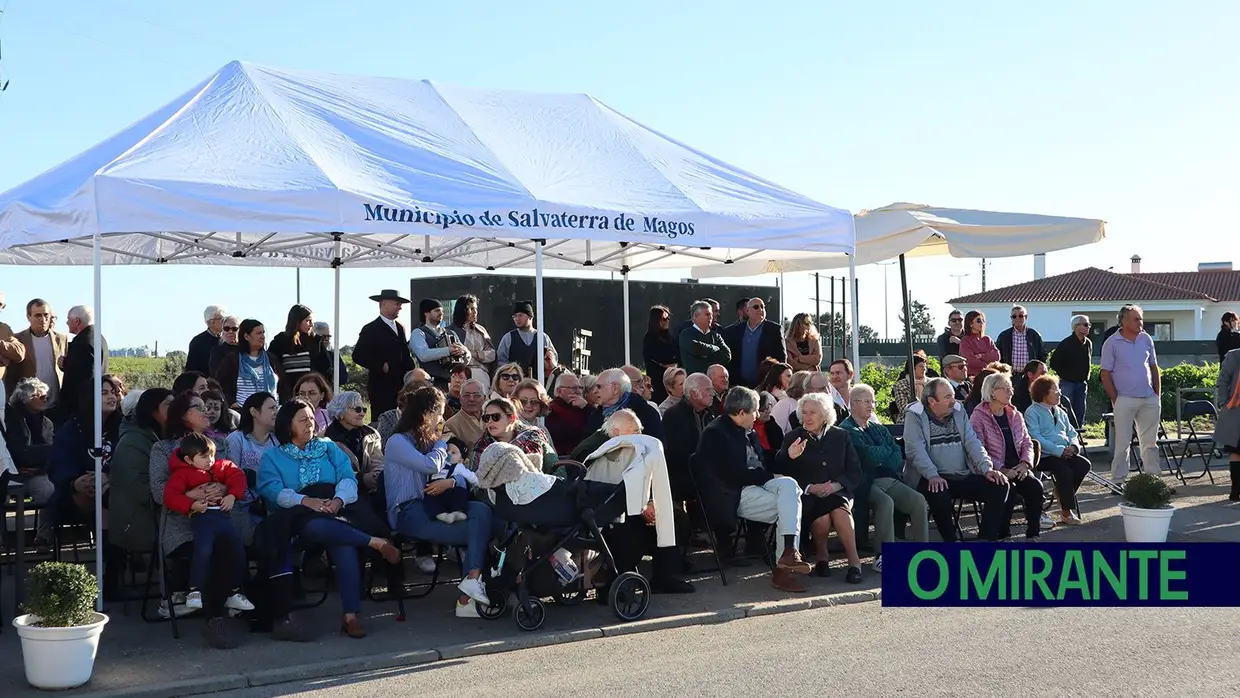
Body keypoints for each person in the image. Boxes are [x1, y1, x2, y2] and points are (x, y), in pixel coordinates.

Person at [257, 399, 400, 639]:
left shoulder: (328, 447)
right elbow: (271, 491)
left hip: (335, 508)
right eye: (302, 420)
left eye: (312, 419)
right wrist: (306, 502)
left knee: (342, 542)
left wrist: (338, 500)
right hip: (295, 518)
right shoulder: (273, 457)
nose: (309, 424)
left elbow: (347, 477)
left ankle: (350, 616)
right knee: (318, 527)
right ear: (287, 424)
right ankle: (374, 542)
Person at [384, 386, 495, 619]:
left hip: (436, 504)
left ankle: (470, 584)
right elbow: (430, 466)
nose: (442, 420)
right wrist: (442, 443)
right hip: (409, 512)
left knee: (482, 511)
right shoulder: (397, 441)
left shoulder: (429, 442)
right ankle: (469, 594)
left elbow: (450, 471)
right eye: (440, 413)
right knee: (480, 530)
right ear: (428, 413)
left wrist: (452, 483)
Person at [693, 387, 814, 592]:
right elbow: (735, 474)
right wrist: (769, 476)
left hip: (756, 485)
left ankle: (788, 555)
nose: (758, 415)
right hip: (732, 493)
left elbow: (765, 463)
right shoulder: (716, 434)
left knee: (791, 486)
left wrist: (787, 456)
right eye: (755, 411)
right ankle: (784, 568)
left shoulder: (747, 430)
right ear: (741, 413)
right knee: (791, 506)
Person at [903, 377, 1010, 542]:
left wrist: (986, 468)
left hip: (961, 474)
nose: (953, 401)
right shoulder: (915, 415)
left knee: (999, 485)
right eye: (947, 397)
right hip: (929, 476)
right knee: (938, 492)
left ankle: (986, 540)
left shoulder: (959, 411)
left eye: (952, 396)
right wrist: (932, 474)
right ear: (931, 401)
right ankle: (951, 543)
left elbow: (972, 442)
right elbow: (915, 450)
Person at [775, 393, 863, 582]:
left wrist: (836, 485)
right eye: (804, 413)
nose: (807, 417)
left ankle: (854, 563)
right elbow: (780, 471)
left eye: (812, 413)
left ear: (824, 415)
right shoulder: (793, 437)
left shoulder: (840, 435)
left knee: (840, 512)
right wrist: (808, 486)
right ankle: (822, 557)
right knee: (822, 517)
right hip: (808, 495)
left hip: (838, 490)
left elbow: (854, 471)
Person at [163, 433, 255, 614]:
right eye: (204, 457)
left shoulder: (222, 466)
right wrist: (191, 504)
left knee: (237, 552)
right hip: (203, 520)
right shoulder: (182, 474)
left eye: (212, 455)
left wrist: (232, 495)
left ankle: (234, 592)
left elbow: (238, 476)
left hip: (224, 518)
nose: (210, 460)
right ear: (189, 459)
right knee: (204, 551)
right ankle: (194, 590)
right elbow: (170, 496)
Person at [839, 384, 929, 568]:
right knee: (885, 502)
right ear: (853, 404)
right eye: (865, 401)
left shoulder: (877, 428)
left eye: (872, 401)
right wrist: (886, 451)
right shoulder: (846, 429)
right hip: (862, 482)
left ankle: (922, 552)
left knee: (919, 500)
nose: (870, 405)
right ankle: (882, 557)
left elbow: (897, 457)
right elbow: (867, 457)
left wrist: (884, 452)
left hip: (886, 479)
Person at [969, 372, 1045, 540]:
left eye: (1011, 388)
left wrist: (1025, 463)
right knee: (1008, 490)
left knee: (1036, 487)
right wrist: (1000, 469)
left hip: (1018, 467)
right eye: (1006, 388)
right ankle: (1003, 535)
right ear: (992, 392)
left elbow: (1027, 442)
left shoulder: (1014, 414)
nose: (1011, 392)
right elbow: (978, 448)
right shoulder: (978, 416)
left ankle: (1033, 534)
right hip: (994, 469)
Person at [1100, 304, 1168, 489]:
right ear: (1123, 321)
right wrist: (1116, 399)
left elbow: (1154, 367)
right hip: (1124, 399)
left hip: (1149, 398)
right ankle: (1118, 481)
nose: (1140, 322)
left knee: (1150, 442)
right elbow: (1105, 373)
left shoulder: (1146, 339)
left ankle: (1153, 479)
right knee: (1122, 442)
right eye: (1136, 319)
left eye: (1141, 318)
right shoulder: (1111, 343)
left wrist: (1157, 395)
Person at [109, 388, 174, 557]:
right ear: (152, 410)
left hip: (166, 512)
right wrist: (183, 494)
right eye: (169, 405)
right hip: (140, 520)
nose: (175, 409)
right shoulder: (132, 443)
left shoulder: (167, 436)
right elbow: (140, 490)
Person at [1025, 375, 1091, 524]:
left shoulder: (1060, 411)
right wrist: (1059, 450)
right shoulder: (1032, 412)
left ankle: (1061, 493)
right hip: (1045, 456)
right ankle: (1066, 512)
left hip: (1066, 452)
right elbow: (1035, 437)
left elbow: (1072, 432)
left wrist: (1074, 447)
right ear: (1043, 394)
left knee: (1083, 465)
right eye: (1055, 390)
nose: (1059, 393)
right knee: (1064, 471)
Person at [4, 377, 58, 539]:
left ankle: (43, 537)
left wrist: (40, 468)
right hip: (9, 473)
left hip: (37, 473)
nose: (45, 399)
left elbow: (53, 453)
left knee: (50, 492)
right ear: (26, 398)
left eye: (46, 396)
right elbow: (11, 449)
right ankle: (4, 539)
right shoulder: (9, 419)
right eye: (40, 395)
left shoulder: (47, 423)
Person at [353, 290, 416, 418]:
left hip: (401, 386)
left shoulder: (399, 328)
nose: (400, 307)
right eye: (397, 304)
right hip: (381, 388)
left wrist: (412, 371)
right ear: (384, 304)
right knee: (384, 421)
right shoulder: (371, 329)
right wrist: (381, 365)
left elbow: (404, 353)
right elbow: (358, 355)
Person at [3, 299, 68, 417]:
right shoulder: (19, 339)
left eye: (46, 315)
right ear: (28, 317)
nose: (43, 319)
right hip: (29, 405)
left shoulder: (61, 339)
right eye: (38, 315)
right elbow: (11, 373)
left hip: (55, 402)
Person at [661, 372, 716, 500]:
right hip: (687, 481)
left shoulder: (709, 414)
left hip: (709, 476)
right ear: (693, 393)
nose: (712, 394)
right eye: (708, 390)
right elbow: (678, 455)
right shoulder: (674, 416)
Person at [470, 396, 558, 474]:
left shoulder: (532, 437)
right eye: (486, 418)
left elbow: (544, 470)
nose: (490, 421)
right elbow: (476, 482)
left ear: (511, 418)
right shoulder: (482, 446)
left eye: (495, 417)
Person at [324, 391, 385, 495]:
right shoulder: (326, 440)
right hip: (340, 492)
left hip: (372, 490)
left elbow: (378, 462)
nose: (362, 414)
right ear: (341, 412)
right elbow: (331, 472)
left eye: (364, 409)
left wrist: (377, 475)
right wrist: (362, 479)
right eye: (357, 409)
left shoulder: (372, 434)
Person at [268, 305, 331, 403]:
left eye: (312, 321)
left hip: (310, 393)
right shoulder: (280, 341)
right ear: (297, 321)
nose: (311, 325)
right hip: (288, 392)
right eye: (307, 321)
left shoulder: (315, 341)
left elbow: (325, 366)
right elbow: (272, 361)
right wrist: (282, 379)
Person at [584, 368, 666, 442]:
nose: (595, 391)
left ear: (615, 388)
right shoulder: (595, 416)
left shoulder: (645, 413)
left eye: (599, 387)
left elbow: (657, 448)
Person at [60, 305, 109, 422]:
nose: (66, 323)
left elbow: (81, 373)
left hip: (81, 406)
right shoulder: (99, 338)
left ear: (77, 321)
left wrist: (65, 363)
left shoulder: (82, 343)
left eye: (68, 319)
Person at [723, 297, 786, 388]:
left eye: (762, 307)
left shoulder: (774, 329)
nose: (760, 309)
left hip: (764, 383)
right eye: (756, 307)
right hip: (738, 382)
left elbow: (782, 357)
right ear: (748, 311)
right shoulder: (735, 330)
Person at [215, 319, 278, 410]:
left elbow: (283, 387)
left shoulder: (271, 359)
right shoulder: (233, 359)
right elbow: (220, 385)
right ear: (246, 336)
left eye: (263, 333)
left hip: (271, 413)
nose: (263, 336)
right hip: (242, 414)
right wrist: (231, 403)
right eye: (258, 333)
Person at [410, 298, 471, 390]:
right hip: (428, 384)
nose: (441, 313)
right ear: (426, 313)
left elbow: (466, 359)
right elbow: (423, 355)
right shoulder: (418, 333)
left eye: (442, 311)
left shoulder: (451, 333)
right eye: (437, 310)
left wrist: (464, 352)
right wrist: (448, 350)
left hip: (450, 384)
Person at [446, 294, 497, 392]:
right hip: (459, 376)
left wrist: (471, 353)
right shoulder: (449, 332)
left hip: (480, 374)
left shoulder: (480, 331)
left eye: (476, 309)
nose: (475, 312)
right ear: (462, 310)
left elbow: (492, 354)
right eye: (471, 309)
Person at [1050, 315, 1093, 427]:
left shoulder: (1088, 343)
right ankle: (1067, 434)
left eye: (1088, 324)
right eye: (1085, 324)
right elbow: (1054, 362)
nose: (1088, 327)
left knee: (1080, 410)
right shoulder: (1066, 343)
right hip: (1068, 383)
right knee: (1067, 409)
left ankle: (1078, 435)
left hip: (1082, 383)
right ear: (1075, 326)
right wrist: (1065, 374)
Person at [496, 301, 557, 378]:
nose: (517, 319)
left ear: (530, 316)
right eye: (515, 316)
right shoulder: (508, 338)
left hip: (539, 381)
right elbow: (501, 360)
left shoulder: (542, 337)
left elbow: (553, 358)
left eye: (520, 315)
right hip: (516, 381)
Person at [545, 372, 595, 456]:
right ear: (559, 391)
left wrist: (587, 407)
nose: (579, 392)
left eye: (580, 388)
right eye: (574, 388)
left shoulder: (582, 407)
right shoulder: (551, 410)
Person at [678, 300, 730, 376]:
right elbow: (697, 348)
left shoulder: (716, 336)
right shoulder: (686, 334)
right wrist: (715, 348)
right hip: (695, 381)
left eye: (711, 314)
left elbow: (727, 355)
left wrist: (705, 355)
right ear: (696, 315)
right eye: (707, 314)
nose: (711, 317)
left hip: (713, 381)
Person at [1215, 347, 1240, 500]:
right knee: (1236, 451)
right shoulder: (1234, 356)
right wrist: (1225, 402)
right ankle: (1236, 490)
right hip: (1236, 410)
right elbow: (1222, 380)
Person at [642, 305, 679, 404]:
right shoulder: (650, 338)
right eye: (664, 319)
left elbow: (676, 355)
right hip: (658, 381)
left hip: (672, 379)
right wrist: (670, 362)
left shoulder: (670, 337)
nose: (667, 321)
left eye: (668, 318)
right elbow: (661, 359)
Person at [444, 379, 487, 457]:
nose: (471, 399)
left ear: (484, 398)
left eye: (476, 395)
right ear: (460, 398)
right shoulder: (451, 425)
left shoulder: (491, 418)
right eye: (466, 395)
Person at [996, 305, 1047, 369]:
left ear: (1026, 317)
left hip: (1030, 376)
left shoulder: (1035, 335)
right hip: (1009, 375)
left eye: (1020, 316)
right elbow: (997, 357)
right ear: (1011, 318)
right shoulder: (1003, 336)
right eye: (1014, 316)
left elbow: (1042, 356)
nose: (1017, 318)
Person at [959, 310, 1000, 379]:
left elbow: (997, 356)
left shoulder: (987, 339)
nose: (982, 323)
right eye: (978, 321)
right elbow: (970, 361)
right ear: (970, 323)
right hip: (974, 378)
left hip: (989, 377)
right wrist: (988, 364)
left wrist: (981, 356)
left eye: (983, 320)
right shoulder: (965, 341)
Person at [187, 305, 227, 377]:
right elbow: (191, 370)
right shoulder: (198, 342)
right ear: (210, 323)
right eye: (222, 319)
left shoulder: (228, 340)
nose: (225, 322)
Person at [892, 353, 928, 424]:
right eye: (921, 366)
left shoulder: (931, 383)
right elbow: (903, 409)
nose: (924, 369)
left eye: (925, 367)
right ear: (912, 368)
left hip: (929, 421)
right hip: (907, 422)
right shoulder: (901, 385)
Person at [294, 372, 333, 436]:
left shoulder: (330, 416)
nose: (306, 397)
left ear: (322, 395)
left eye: (312, 393)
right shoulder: (290, 417)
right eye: (302, 393)